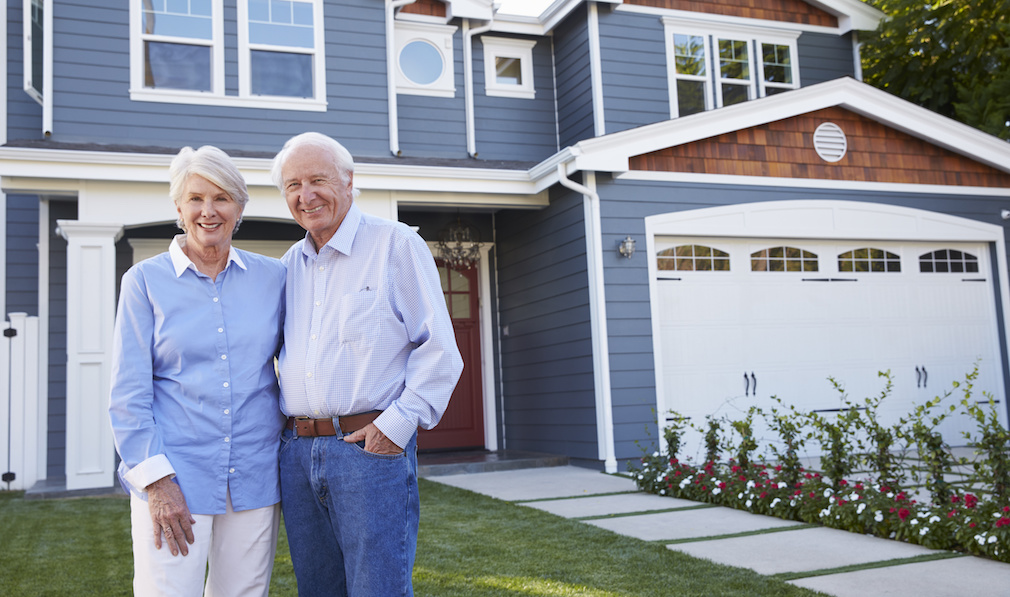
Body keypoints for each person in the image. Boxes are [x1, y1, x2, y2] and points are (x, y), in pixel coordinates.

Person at [272, 132, 463, 596]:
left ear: (349, 181)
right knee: (318, 590)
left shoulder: (394, 246)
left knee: (378, 589)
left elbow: (439, 347)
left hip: (366, 450)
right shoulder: (288, 267)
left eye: (318, 179)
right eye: (294, 185)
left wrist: (396, 425)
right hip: (297, 454)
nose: (306, 194)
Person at [109, 145, 286, 597]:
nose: (208, 211)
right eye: (195, 198)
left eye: (222, 198)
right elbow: (129, 395)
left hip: (255, 474)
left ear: (240, 207)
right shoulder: (144, 282)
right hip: (176, 477)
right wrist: (158, 483)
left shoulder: (274, 279)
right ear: (178, 207)